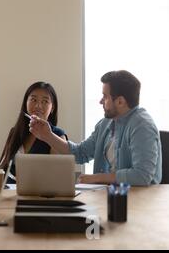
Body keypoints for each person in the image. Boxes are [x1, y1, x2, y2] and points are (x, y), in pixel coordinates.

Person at [29, 70, 162, 186]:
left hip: (140, 202)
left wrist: (96, 178)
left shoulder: (142, 126)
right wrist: (48, 136)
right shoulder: (105, 124)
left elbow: (142, 176)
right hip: (108, 196)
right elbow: (80, 153)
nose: (100, 101)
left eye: (105, 96)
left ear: (120, 101)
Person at [0, 82, 67, 183]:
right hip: (7, 194)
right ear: (26, 103)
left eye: (45, 101)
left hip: (37, 196)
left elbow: (56, 179)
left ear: (52, 108)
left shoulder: (57, 135)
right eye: (33, 100)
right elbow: (1, 168)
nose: (38, 106)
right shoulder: (15, 132)